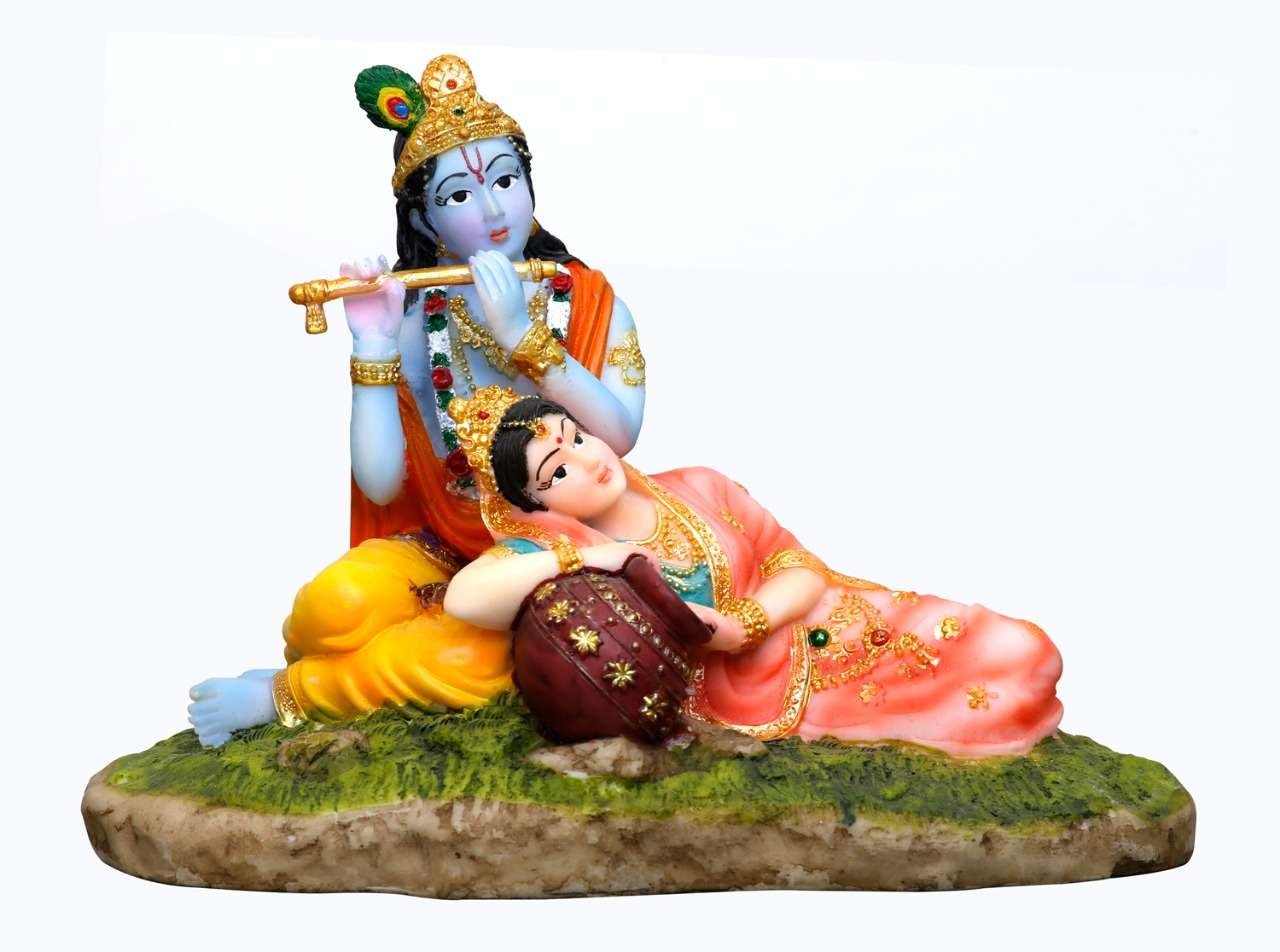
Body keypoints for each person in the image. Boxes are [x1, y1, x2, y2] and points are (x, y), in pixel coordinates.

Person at [187, 54, 647, 747]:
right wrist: (372, 345)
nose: (492, 211)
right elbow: (382, 484)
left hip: (560, 548)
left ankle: (292, 693)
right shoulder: (416, 317)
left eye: (506, 181)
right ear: (426, 220)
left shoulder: (588, 300)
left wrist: (523, 338)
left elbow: (621, 433)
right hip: (440, 548)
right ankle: (337, 659)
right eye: (459, 195)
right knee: (333, 603)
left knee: (473, 662)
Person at [441, 387, 1065, 757]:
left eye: (575, 438)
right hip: (757, 688)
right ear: (534, 504)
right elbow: (466, 598)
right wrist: (592, 558)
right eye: (555, 472)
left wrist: (750, 619)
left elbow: (798, 564)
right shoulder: (568, 549)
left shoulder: (698, 485)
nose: (584, 461)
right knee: (1002, 692)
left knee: (1021, 648)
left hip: (825, 618)